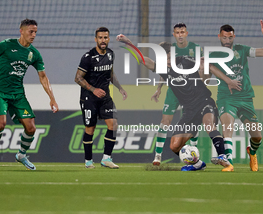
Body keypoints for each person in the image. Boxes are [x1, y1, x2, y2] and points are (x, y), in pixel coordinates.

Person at [117, 34, 241, 171]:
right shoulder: (163, 70)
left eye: (170, 57)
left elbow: (209, 66)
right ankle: (198, 164)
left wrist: (227, 80)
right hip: (188, 111)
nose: (168, 61)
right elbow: (142, 59)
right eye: (165, 59)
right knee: (174, 146)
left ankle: (223, 156)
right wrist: (128, 42)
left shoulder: (186, 61)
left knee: (209, 125)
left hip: (204, 101)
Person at [0, 18, 59, 170]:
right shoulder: (6, 45)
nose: (33, 35)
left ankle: (21, 154)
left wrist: (52, 98)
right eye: (30, 32)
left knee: (31, 128)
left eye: (35, 32)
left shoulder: (34, 54)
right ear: (21, 31)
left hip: (18, 94)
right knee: (0, 124)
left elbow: (43, 77)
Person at [209, 22, 263, 171]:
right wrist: (228, 81)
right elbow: (209, 66)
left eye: (230, 37)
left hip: (245, 98)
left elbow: (260, 52)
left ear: (234, 37)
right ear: (219, 37)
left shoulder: (242, 50)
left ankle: (252, 152)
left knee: (257, 136)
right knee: (228, 126)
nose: (227, 41)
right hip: (227, 98)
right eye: (224, 37)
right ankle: (229, 162)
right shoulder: (214, 54)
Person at [75, 27, 127, 169]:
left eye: (105, 37)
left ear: (108, 39)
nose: (103, 40)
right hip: (89, 98)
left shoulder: (110, 54)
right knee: (90, 129)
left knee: (113, 124)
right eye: (100, 38)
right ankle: (88, 161)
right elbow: (78, 78)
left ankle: (106, 158)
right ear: (95, 39)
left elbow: (110, 73)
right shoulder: (88, 57)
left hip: (105, 97)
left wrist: (120, 87)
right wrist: (93, 89)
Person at [151, 23, 201, 166]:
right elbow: (164, 71)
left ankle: (194, 152)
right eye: (177, 32)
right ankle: (158, 156)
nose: (180, 34)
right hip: (173, 91)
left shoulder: (195, 49)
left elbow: (205, 67)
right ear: (174, 34)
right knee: (165, 122)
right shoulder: (169, 50)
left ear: (186, 33)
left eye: (182, 32)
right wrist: (159, 89)